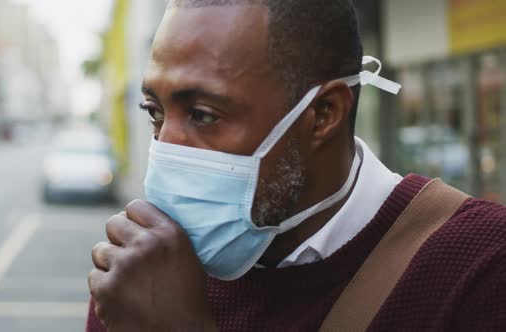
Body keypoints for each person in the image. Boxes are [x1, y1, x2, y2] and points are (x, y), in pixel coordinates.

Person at [87, 1, 506, 331]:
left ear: (323, 114)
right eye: (154, 111)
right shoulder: (139, 273)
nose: (165, 147)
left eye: (202, 115)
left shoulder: (483, 268)